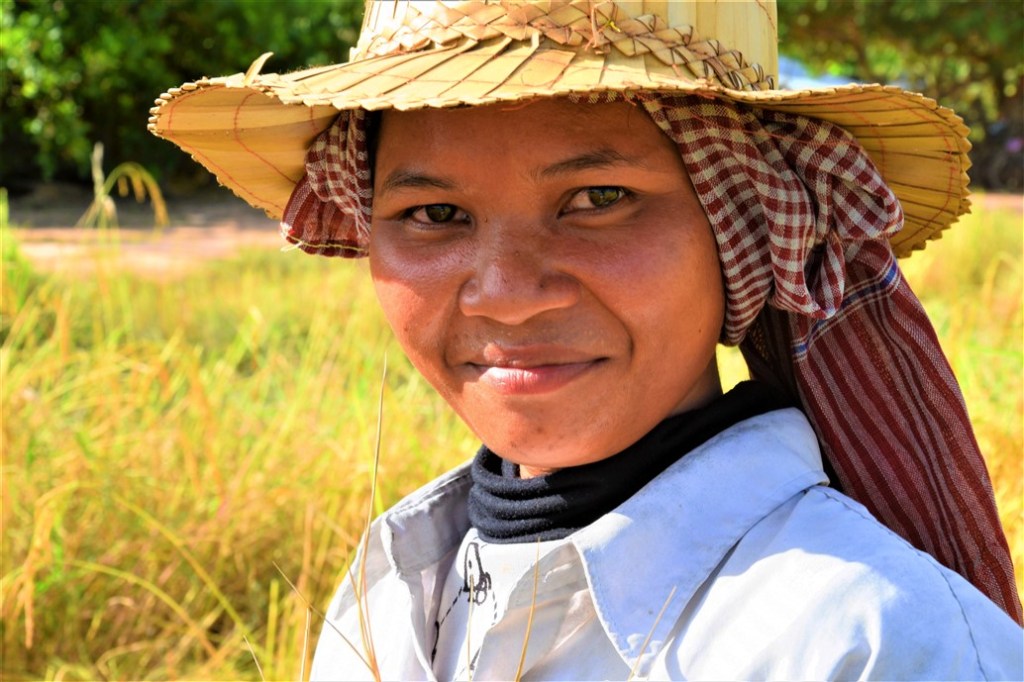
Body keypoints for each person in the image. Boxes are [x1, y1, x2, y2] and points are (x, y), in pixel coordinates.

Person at [150, 1, 1024, 679]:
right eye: (434, 215)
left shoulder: (869, 640)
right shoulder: (392, 596)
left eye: (599, 199)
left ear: (746, 232)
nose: (508, 295)